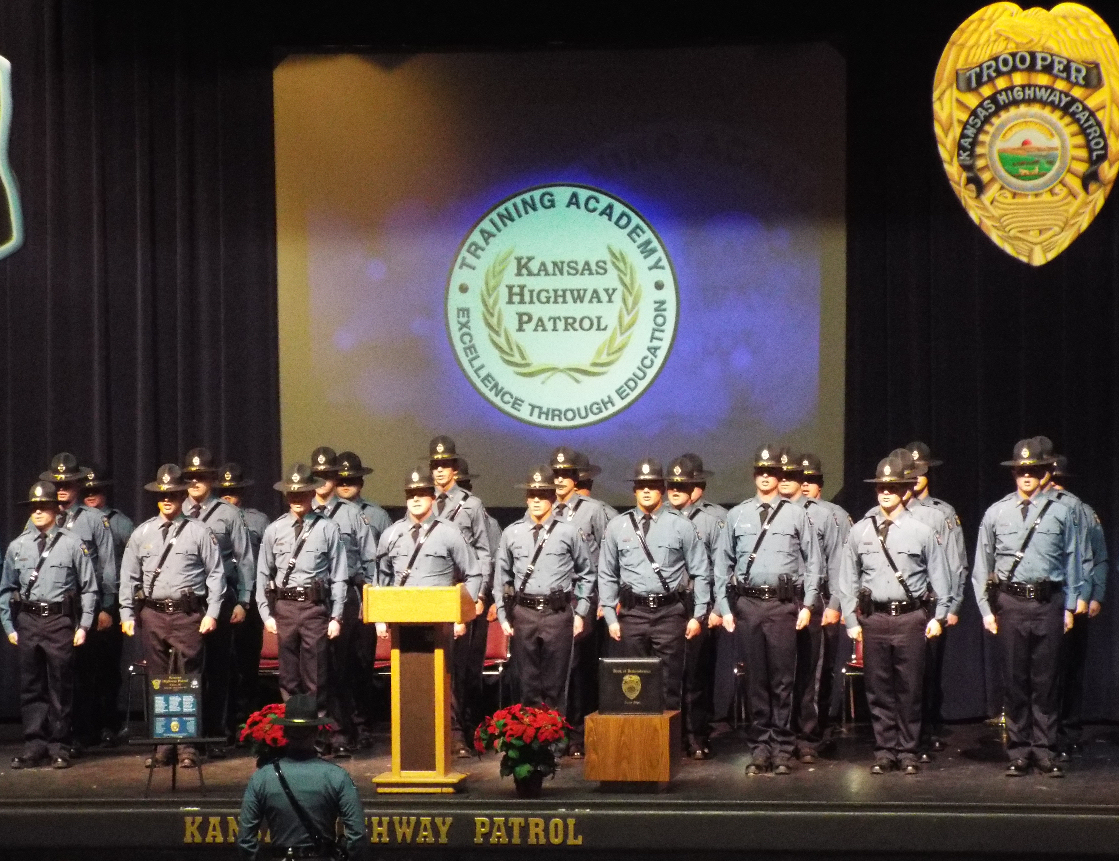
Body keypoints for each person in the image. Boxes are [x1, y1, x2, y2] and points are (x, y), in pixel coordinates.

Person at [972, 438, 1083, 777]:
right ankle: (1019, 750)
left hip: (1048, 602)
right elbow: (982, 565)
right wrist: (986, 610)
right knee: (1015, 680)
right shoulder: (997, 512)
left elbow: (1073, 560)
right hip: (1011, 603)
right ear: (1014, 473)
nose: (1026, 475)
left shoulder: (1062, 511)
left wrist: (1070, 607)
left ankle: (1045, 749)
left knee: (1046, 681)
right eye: (1021, 470)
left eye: (1032, 470)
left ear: (1044, 472)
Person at [839, 453, 951, 774]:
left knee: (910, 688)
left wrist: (939, 616)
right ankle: (885, 750)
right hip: (874, 618)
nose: (885, 493)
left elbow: (940, 578)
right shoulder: (861, 530)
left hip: (910, 618)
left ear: (905, 490)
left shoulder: (922, 531)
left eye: (892, 487)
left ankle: (908, 750)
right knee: (878, 689)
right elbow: (848, 578)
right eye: (880, 488)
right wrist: (851, 619)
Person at [718, 445, 821, 775]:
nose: (765, 476)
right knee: (755, 680)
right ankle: (760, 747)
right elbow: (721, 565)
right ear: (754, 475)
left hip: (782, 605)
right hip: (748, 605)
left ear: (780, 476)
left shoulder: (796, 514)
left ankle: (782, 748)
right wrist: (725, 608)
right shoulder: (737, 515)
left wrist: (808, 603)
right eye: (760, 471)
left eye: (771, 471)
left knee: (782, 680)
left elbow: (814, 562)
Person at [118, 464, 226, 769]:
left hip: (187, 615)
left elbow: (216, 574)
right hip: (153, 614)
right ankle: (163, 744)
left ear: (182, 496)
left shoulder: (199, 531)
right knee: (158, 681)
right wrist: (126, 612)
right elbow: (128, 577)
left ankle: (188, 746)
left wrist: (213, 612)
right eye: (162, 495)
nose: (167, 500)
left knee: (188, 680)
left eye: (173, 495)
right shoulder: (142, 533)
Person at [599, 459, 713, 718]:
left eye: (652, 485)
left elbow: (700, 571)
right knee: (633, 685)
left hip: (669, 613)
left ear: (662, 488)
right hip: (632, 613)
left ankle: (668, 740)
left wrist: (698, 615)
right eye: (641, 486)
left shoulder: (681, 525)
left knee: (669, 684)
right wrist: (610, 616)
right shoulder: (618, 525)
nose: (647, 491)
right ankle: (639, 739)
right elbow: (606, 573)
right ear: (634, 490)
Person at [0, 481, 98, 769]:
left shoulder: (72, 543)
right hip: (28, 620)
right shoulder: (18, 546)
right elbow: (6, 588)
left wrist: (84, 625)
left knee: (60, 685)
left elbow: (89, 588)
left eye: (44, 506)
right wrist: (9, 626)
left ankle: (59, 745)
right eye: (34, 507)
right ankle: (34, 745)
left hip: (59, 620)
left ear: (56, 509)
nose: (39, 511)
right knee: (31, 686)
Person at [495, 466, 593, 711]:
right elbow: (502, 577)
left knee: (555, 685)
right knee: (526, 684)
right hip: (524, 613)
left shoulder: (569, 532)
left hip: (557, 614)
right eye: (532, 495)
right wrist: (502, 615)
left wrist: (581, 611)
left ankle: (555, 734)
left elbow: (587, 573)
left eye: (543, 494)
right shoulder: (512, 533)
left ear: (552, 497)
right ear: (526, 498)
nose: (537, 500)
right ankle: (528, 734)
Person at [39, 452, 118, 754]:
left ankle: (83, 734)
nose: (62, 489)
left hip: (85, 605)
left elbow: (108, 566)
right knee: (54, 673)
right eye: (57, 484)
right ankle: (55, 733)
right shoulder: (40, 519)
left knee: (85, 673)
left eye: (67, 484)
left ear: (78, 485)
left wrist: (107, 606)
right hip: (52, 607)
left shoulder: (94, 519)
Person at [181, 447, 256, 755]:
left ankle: (215, 734)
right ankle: (187, 737)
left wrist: (244, 601)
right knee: (187, 673)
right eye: (191, 476)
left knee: (218, 670)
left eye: (201, 476)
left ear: (212, 479)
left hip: (221, 600)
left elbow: (245, 559)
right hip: (186, 604)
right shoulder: (176, 511)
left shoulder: (229, 514)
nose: (195, 482)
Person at [255, 465, 347, 717]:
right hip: (284, 608)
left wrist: (336, 616)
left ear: (312, 493)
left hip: (314, 608)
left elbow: (339, 575)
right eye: (292, 493)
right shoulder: (274, 529)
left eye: (302, 493)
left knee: (316, 674)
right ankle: (292, 727)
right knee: (288, 675)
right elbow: (262, 573)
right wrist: (265, 614)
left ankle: (317, 729)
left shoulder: (327, 528)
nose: (297, 498)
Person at [308, 446, 380, 757]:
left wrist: (370, 599)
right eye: (318, 474)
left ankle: (350, 730)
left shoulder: (352, 514)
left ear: (336, 477)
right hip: (313, 599)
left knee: (347, 666)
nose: (323, 480)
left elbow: (370, 560)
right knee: (319, 669)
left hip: (348, 596)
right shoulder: (303, 512)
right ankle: (326, 731)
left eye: (328, 475)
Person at [236, 694, 368, 861]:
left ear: (285, 732)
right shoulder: (337, 776)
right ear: (316, 732)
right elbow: (358, 836)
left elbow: (245, 840)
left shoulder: (261, 778)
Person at [903, 441, 969, 759]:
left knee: (928, 670)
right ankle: (902, 734)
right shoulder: (891, 511)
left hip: (932, 602)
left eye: (921, 471)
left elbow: (957, 563)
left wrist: (953, 605)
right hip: (901, 604)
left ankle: (926, 731)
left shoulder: (942, 513)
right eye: (911, 471)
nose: (916, 476)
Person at [428, 436, 492, 756]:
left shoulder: (471, 505)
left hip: (460, 591)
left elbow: (483, 552)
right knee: (431, 666)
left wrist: (478, 593)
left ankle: (458, 731)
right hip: (429, 594)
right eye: (435, 465)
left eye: (445, 465)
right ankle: (433, 730)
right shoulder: (424, 502)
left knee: (460, 667)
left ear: (455, 468)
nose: (440, 471)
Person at [555, 448, 617, 758]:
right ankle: (556, 731)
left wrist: (607, 597)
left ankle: (580, 732)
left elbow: (609, 555)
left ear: (576, 478)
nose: (559, 480)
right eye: (556, 474)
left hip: (584, 597)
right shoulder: (546, 509)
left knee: (581, 666)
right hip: (555, 598)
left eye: (565, 475)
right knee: (557, 666)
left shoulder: (594, 510)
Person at [665, 454, 727, 759]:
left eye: (682, 485)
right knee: (667, 674)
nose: (675, 491)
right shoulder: (658, 518)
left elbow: (722, 567)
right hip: (666, 604)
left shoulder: (713, 519)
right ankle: (669, 737)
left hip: (698, 602)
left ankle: (696, 734)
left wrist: (716, 608)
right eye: (672, 485)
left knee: (696, 674)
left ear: (696, 487)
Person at [1045, 454, 1106, 760]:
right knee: (1045, 671)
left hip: (1076, 599)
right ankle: (1046, 731)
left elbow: (1098, 557)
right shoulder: (1037, 511)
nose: (1054, 486)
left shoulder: (1081, 510)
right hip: (1047, 598)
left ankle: (1069, 730)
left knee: (1071, 669)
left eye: (1058, 481)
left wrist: (1096, 595)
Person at [332, 450, 392, 749]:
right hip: (336, 599)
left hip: (365, 596)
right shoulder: (323, 513)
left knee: (362, 664)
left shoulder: (377, 515)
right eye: (340, 480)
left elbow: (382, 561)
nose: (345, 485)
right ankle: (341, 727)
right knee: (337, 667)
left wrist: (377, 600)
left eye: (351, 480)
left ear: (361, 482)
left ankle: (363, 723)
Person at [798, 453, 851, 755]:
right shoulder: (787, 512)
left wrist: (836, 603)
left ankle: (818, 730)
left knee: (822, 669)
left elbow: (842, 564)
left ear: (820, 484)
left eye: (812, 480)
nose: (806, 485)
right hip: (794, 601)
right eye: (801, 480)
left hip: (823, 601)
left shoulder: (834, 515)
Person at [79, 463, 134, 748]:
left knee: (108, 669)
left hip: (108, 603)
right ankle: (84, 727)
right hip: (79, 605)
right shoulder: (73, 520)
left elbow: (134, 564)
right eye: (86, 490)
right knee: (81, 670)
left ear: (106, 491)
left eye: (96, 490)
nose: (90, 495)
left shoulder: (121, 523)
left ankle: (109, 724)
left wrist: (111, 607)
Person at [216, 463, 271, 743]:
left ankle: (249, 725)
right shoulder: (210, 517)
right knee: (221, 667)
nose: (229, 496)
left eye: (234, 491)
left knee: (248, 666)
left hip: (249, 600)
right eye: (224, 491)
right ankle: (223, 725)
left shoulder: (259, 520)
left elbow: (267, 560)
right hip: (222, 598)